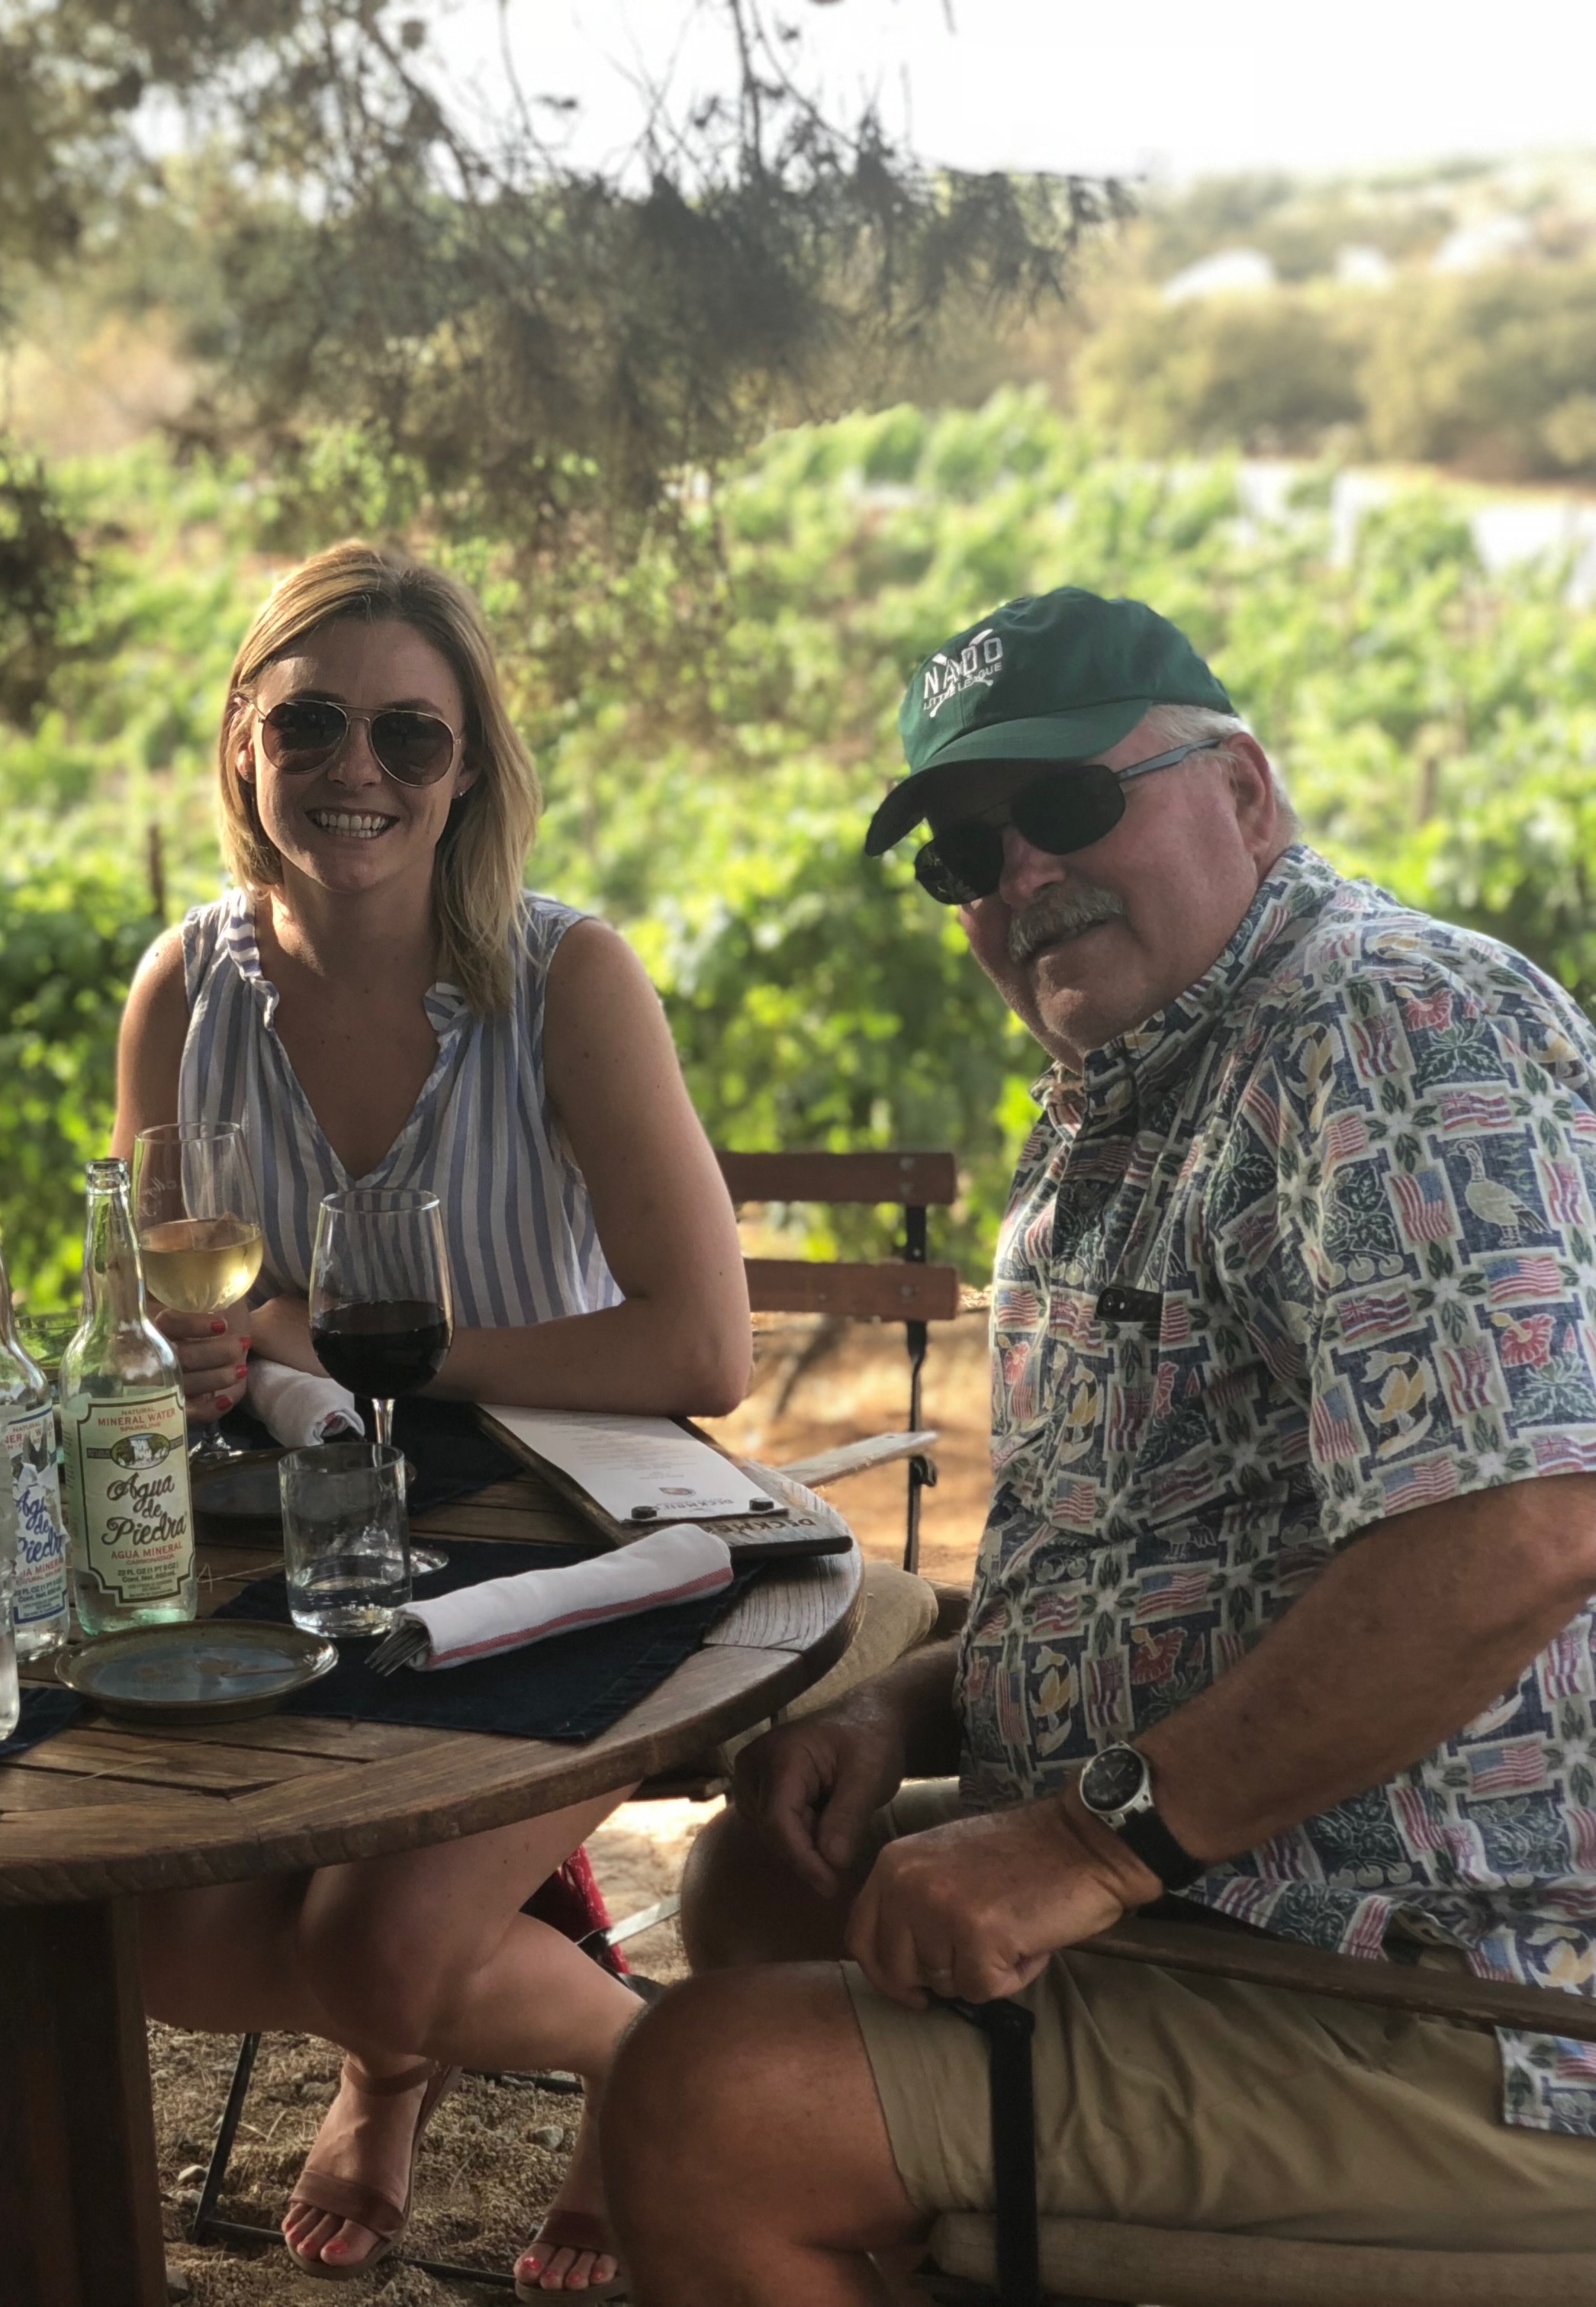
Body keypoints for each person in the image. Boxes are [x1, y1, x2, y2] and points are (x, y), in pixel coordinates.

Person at [602, 588, 1596, 2302]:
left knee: (703, 2107)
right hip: (1245, 1885)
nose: (1020, 876)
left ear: (1247, 794)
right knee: (762, 1878)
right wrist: (904, 1711)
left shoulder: (1386, 1027)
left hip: (1466, 1981)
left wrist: (1082, 1849)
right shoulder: (1130, 1101)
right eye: (963, 854)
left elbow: (1520, 1535)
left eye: (1065, 804)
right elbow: (1159, 1566)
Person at [111, 543, 941, 2290]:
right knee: (157, 1941)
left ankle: (625, 2066)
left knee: (377, 1949)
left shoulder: (566, 980)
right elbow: (171, 1308)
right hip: (305, 1553)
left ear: (469, 768)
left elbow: (701, 1348)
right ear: (245, 740)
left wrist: (364, 1348)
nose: (357, 770)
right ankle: (473, 2047)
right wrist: (184, 1356)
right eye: (311, 724)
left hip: (580, 1554)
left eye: (410, 737)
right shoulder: (182, 994)